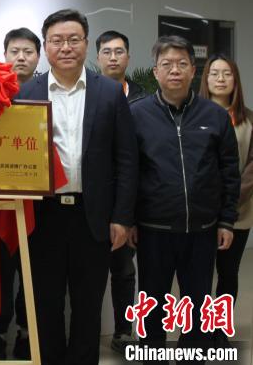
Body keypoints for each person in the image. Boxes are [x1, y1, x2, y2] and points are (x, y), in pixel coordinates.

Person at [16, 9, 138, 365]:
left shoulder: (109, 92)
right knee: (45, 303)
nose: (65, 47)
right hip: (43, 215)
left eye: (73, 39)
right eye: (57, 40)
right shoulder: (25, 93)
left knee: (88, 306)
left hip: (93, 216)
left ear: (86, 44)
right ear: (46, 47)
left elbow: (126, 159)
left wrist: (122, 217)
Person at [130, 37, 238, 361]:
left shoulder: (215, 116)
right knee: (152, 305)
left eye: (181, 64)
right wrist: (129, 220)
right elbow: (129, 172)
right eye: (167, 64)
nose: (174, 70)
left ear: (193, 70)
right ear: (155, 71)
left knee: (197, 306)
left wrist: (226, 221)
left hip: (202, 230)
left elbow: (229, 171)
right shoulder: (137, 114)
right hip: (153, 230)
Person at [0, 27, 41, 359]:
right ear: (4, 55)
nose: (21, 58)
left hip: (38, 202)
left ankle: (26, 331)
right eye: (14, 51)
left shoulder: (47, 92)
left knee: (32, 271)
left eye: (28, 52)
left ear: (39, 56)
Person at [95, 29, 146, 352]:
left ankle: (124, 331)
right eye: (107, 52)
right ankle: (86, 332)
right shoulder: (88, 93)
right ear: (97, 57)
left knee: (125, 270)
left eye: (119, 51)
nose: (113, 58)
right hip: (93, 198)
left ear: (128, 56)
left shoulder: (144, 99)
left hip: (129, 200)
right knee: (89, 272)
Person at [200, 54, 253, 322]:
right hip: (199, 212)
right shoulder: (192, 115)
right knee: (198, 274)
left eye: (227, 73)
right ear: (206, 79)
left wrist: (229, 200)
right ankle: (199, 328)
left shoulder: (249, 120)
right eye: (214, 73)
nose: (220, 79)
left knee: (228, 272)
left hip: (237, 212)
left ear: (236, 80)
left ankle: (220, 327)